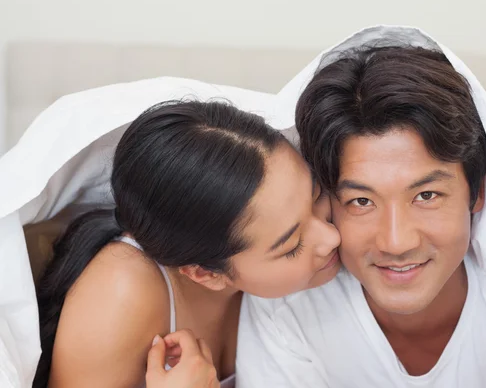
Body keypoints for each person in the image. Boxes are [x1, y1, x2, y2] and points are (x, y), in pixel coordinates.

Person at [236, 27, 486, 387]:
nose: (396, 242)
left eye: (426, 196)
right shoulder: (288, 308)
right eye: (361, 201)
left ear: (477, 192)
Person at [34, 100, 341, 388]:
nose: (332, 237)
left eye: (315, 197)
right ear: (205, 274)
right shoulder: (120, 295)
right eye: (293, 245)